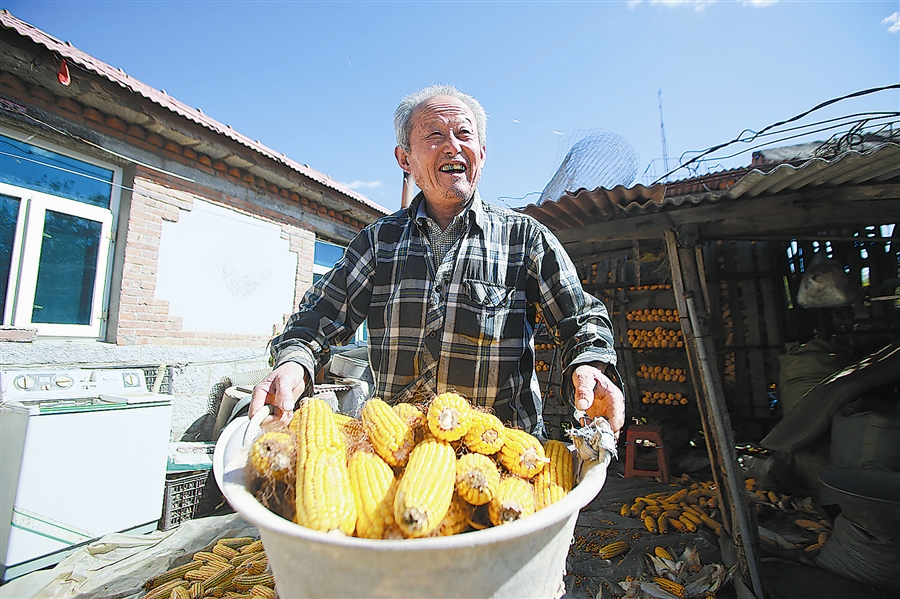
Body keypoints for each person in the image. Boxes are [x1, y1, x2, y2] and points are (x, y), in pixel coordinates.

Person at [250, 84, 624, 438]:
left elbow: (582, 318)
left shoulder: (525, 238)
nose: (452, 148)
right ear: (404, 159)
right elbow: (318, 317)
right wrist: (294, 361)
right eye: (434, 136)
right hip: (400, 454)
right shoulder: (379, 242)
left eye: (464, 135)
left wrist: (590, 364)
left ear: (483, 152)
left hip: (502, 460)